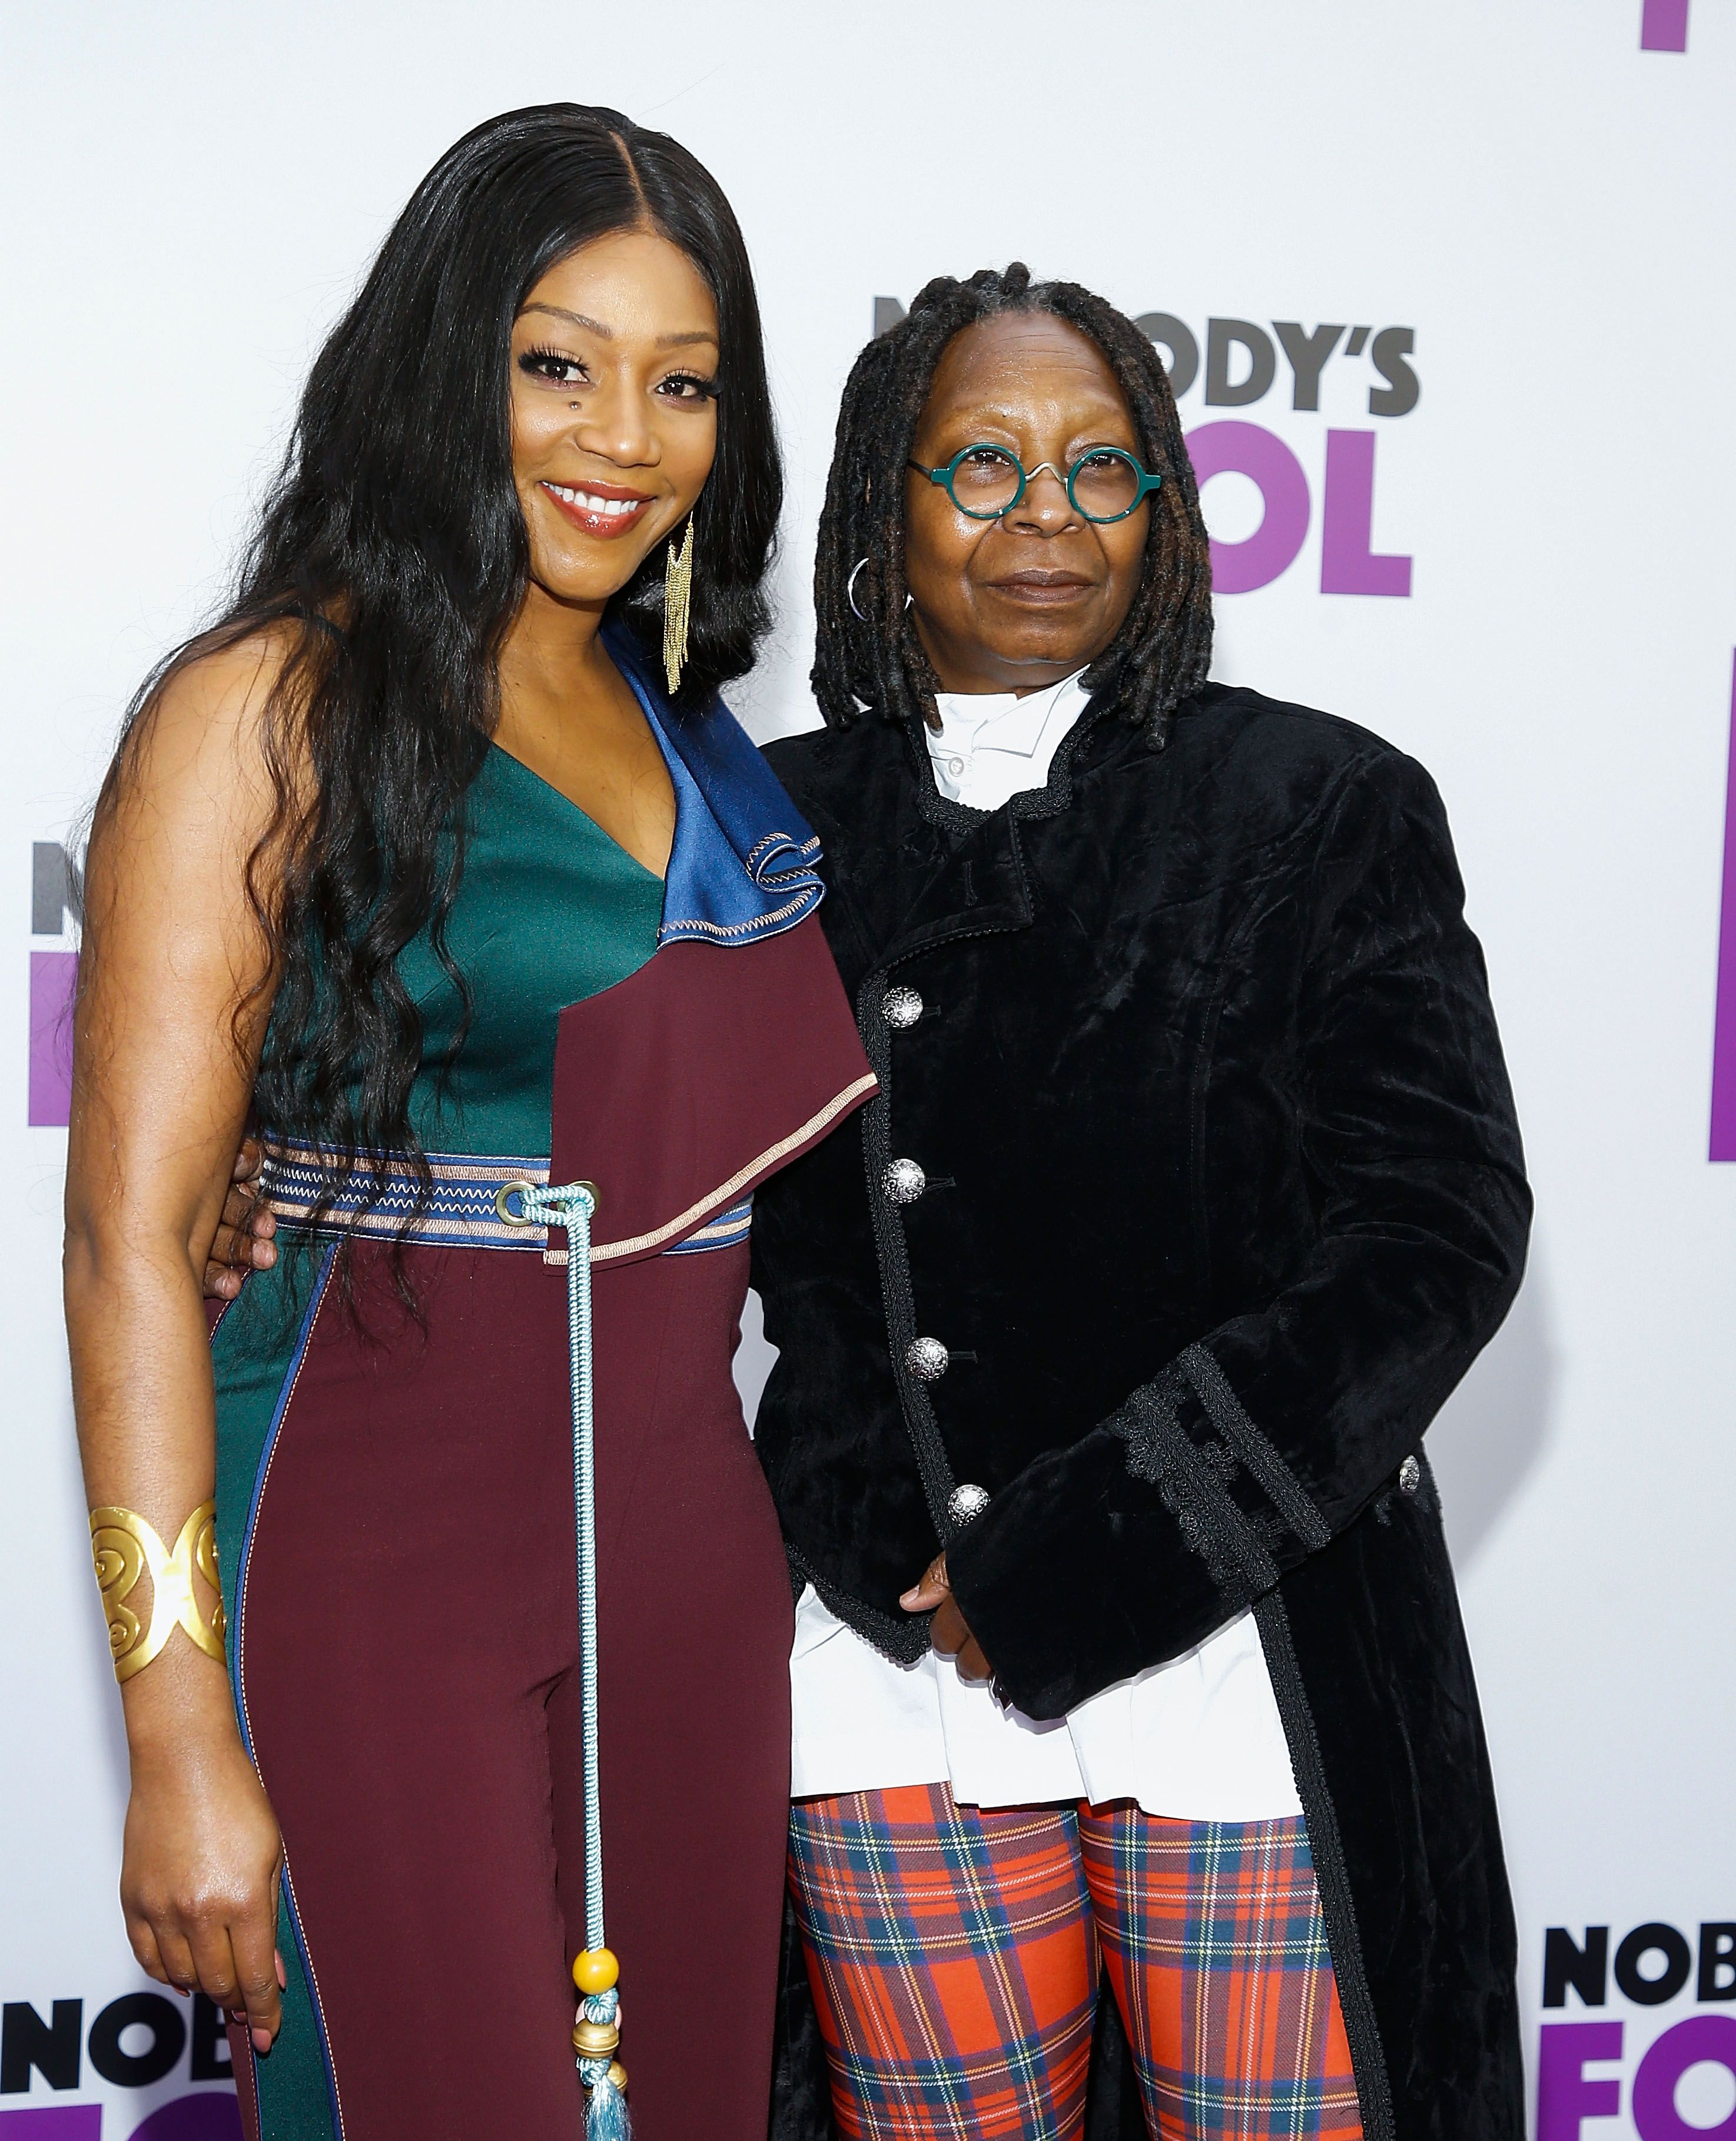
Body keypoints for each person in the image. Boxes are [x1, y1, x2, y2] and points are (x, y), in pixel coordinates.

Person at [66, 105, 872, 2141]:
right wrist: (173, 1719)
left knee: (681, 2106)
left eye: (683, 383)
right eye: (557, 361)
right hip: (374, 1525)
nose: (624, 432)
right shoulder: (268, 705)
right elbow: (132, 1244)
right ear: (447, 360)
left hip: (689, 1548)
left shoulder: (702, 734)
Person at [746, 266, 1531, 2140]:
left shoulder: (1316, 804)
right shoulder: (765, 826)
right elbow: (659, 1196)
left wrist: (1088, 1553)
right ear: (883, 511)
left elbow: (1434, 1236)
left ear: (1168, 514)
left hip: (1238, 1664)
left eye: (1106, 474)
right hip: (894, 1668)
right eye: (985, 467)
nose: (1048, 520)